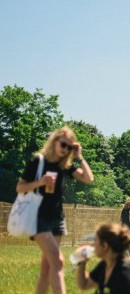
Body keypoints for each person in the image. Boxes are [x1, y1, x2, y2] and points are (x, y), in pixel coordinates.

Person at [16, 126, 94, 294]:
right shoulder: (38, 161)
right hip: (37, 217)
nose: (65, 150)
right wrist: (40, 182)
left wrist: (79, 156)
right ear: (54, 141)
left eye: (69, 147)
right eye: (63, 145)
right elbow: (20, 188)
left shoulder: (65, 165)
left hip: (57, 219)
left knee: (46, 269)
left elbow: (88, 179)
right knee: (57, 261)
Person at [75, 222, 130, 293]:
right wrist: (82, 263)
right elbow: (84, 284)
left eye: (95, 240)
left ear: (105, 245)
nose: (92, 244)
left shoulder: (124, 272)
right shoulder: (106, 264)